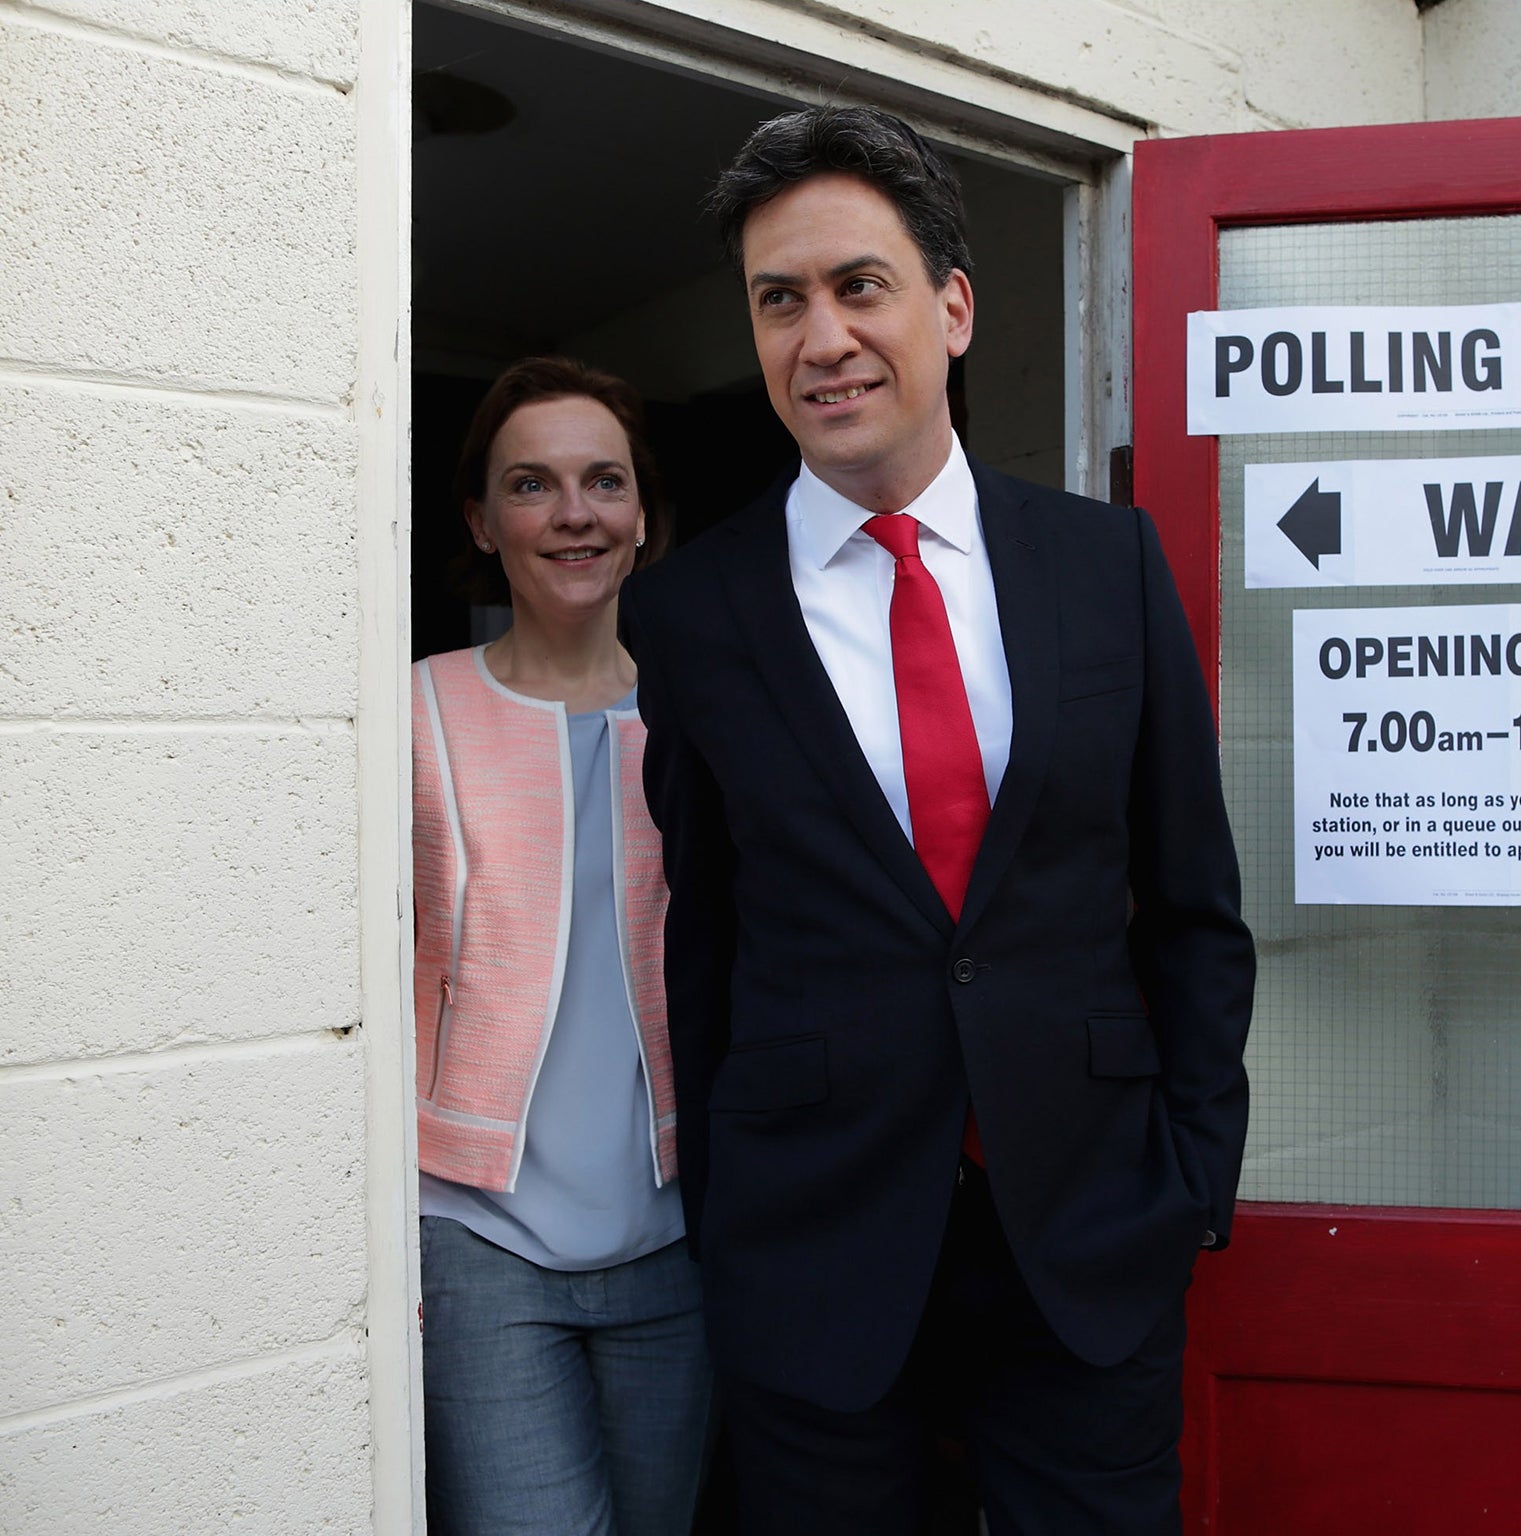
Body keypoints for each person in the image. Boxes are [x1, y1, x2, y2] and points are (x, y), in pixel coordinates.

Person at [619, 108, 1255, 1534]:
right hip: (817, 1256)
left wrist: (1192, 1182)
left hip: (1089, 1242)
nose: (821, 337)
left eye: (859, 286)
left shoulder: (1106, 564)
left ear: (952, 308)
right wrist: (734, 1216)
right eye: (779, 302)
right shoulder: (693, 614)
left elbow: (1194, 901)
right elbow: (704, 938)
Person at [412, 357, 713, 1535]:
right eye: (531, 486)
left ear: (645, 520)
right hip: (481, 1239)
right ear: (483, 523)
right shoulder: (414, 708)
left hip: (675, 1236)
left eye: (604, 483)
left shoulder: (705, 717)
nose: (573, 513)